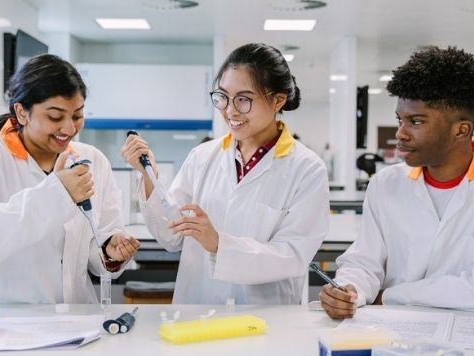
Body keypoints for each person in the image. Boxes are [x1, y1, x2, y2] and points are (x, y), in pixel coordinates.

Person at [320, 46, 474, 318]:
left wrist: (390, 296)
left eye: (416, 122)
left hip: (473, 331)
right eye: (400, 120)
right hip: (392, 328)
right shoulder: (386, 184)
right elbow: (365, 260)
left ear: (461, 129)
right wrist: (351, 289)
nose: (400, 133)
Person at [122, 43, 329, 304]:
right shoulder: (202, 157)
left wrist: (219, 244)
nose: (230, 111)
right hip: (199, 308)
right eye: (222, 97)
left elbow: (293, 255)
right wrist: (147, 174)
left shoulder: (306, 168)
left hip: (267, 318)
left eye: (243, 99)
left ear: (278, 100)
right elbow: (171, 235)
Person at [0, 54, 139, 304]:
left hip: (78, 320)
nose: (68, 129)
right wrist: (56, 194)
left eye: (77, 116)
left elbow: (100, 241)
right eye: (55, 117)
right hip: (10, 324)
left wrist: (110, 252)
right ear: (22, 112)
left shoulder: (93, 160)